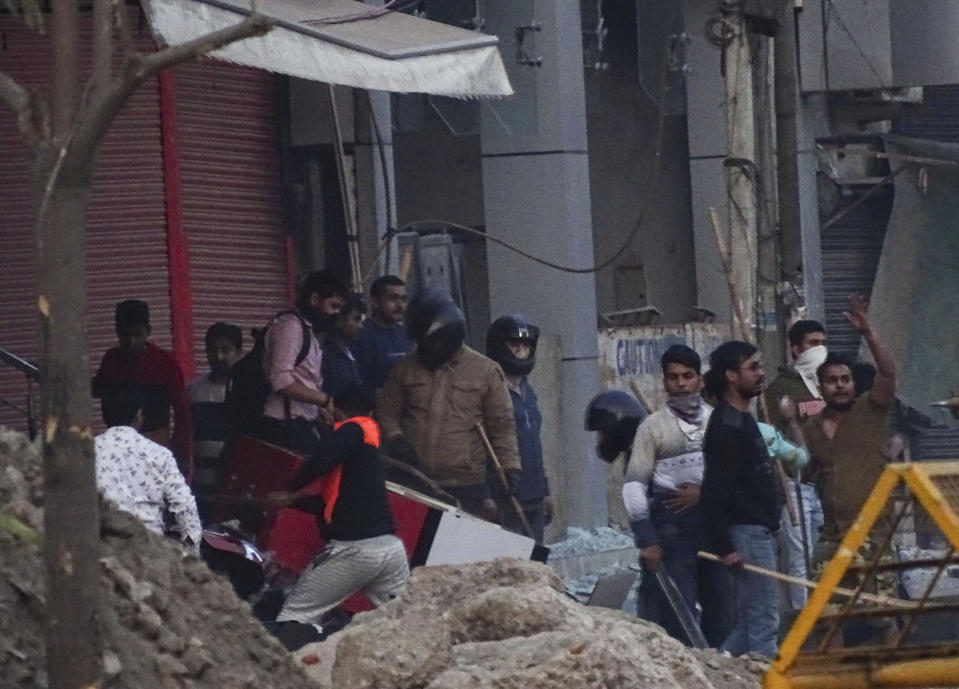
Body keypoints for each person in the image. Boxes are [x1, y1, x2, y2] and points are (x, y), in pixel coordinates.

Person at [270, 383, 409, 634]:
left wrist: (290, 488)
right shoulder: (363, 451)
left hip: (354, 549)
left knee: (295, 616)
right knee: (402, 627)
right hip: (390, 550)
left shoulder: (354, 428)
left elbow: (321, 459)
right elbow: (328, 505)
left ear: (336, 408)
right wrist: (293, 501)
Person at [378, 289, 521, 520]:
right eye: (421, 343)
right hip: (413, 479)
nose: (426, 348)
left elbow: (502, 427)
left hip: (465, 486)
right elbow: (387, 411)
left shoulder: (485, 371)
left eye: (432, 343)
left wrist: (510, 469)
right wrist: (396, 438)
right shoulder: (405, 368)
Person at [802, 295, 898, 642]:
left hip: (873, 534)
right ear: (821, 387)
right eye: (832, 381)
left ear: (853, 384)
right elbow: (812, 471)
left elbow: (888, 372)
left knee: (882, 615)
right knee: (828, 616)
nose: (840, 385)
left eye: (845, 379)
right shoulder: (812, 428)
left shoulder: (870, 409)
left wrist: (868, 332)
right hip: (832, 536)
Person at [624, 345, 732, 648]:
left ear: (700, 379)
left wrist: (703, 495)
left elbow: (735, 478)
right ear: (664, 382)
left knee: (723, 616)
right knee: (678, 618)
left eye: (688, 376)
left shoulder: (719, 421)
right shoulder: (652, 428)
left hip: (717, 530)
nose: (681, 383)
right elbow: (634, 486)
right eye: (674, 377)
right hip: (672, 531)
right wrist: (647, 539)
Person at [701, 340, 781, 658]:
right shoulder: (727, 428)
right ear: (731, 376)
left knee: (750, 627)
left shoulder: (743, 420)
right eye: (753, 367)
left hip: (756, 531)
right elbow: (715, 492)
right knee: (763, 623)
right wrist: (727, 547)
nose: (761, 374)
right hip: (746, 535)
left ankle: (715, 674)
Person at [764, 319, 828, 613]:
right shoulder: (782, 390)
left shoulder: (829, 382)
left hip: (827, 482)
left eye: (822, 342)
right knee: (800, 556)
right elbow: (774, 438)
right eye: (813, 344)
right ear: (795, 349)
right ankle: (804, 618)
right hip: (796, 482)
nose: (820, 349)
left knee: (824, 554)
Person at [95, 382, 202, 551]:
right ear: (139, 415)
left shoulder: (86, 454)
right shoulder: (159, 454)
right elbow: (185, 506)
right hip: (151, 554)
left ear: (104, 416)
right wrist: (191, 555)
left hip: (104, 553)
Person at [92, 299, 193, 477]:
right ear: (117, 333)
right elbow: (94, 389)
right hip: (119, 453)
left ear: (148, 332)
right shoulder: (111, 360)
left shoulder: (164, 362)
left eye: (137, 335)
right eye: (125, 335)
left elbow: (182, 411)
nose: (131, 342)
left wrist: (181, 456)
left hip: (154, 448)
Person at [257, 270, 347, 454]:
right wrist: (324, 400)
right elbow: (280, 380)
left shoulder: (308, 332)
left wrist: (318, 409)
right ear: (315, 300)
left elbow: (304, 379)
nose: (336, 314)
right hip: (282, 428)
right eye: (333, 306)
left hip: (300, 425)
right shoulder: (290, 326)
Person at [486, 315, 552, 543]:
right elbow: (482, 446)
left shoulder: (527, 390)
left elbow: (535, 443)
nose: (521, 352)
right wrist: (487, 494)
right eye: (515, 346)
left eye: (526, 346)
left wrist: (545, 490)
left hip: (534, 493)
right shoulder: (489, 390)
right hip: (507, 494)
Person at [188, 322, 243, 521]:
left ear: (239, 352)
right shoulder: (194, 390)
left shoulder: (249, 391)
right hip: (203, 488)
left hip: (239, 491)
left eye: (225, 350)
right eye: (212, 350)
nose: (218, 357)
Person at [352, 275, 410, 391]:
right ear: (374, 302)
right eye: (393, 298)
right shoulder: (360, 335)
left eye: (403, 299)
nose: (400, 305)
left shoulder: (405, 334)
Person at [321, 293, 367, 400]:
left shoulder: (349, 352)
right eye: (356, 319)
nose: (361, 326)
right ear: (339, 321)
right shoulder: (325, 355)